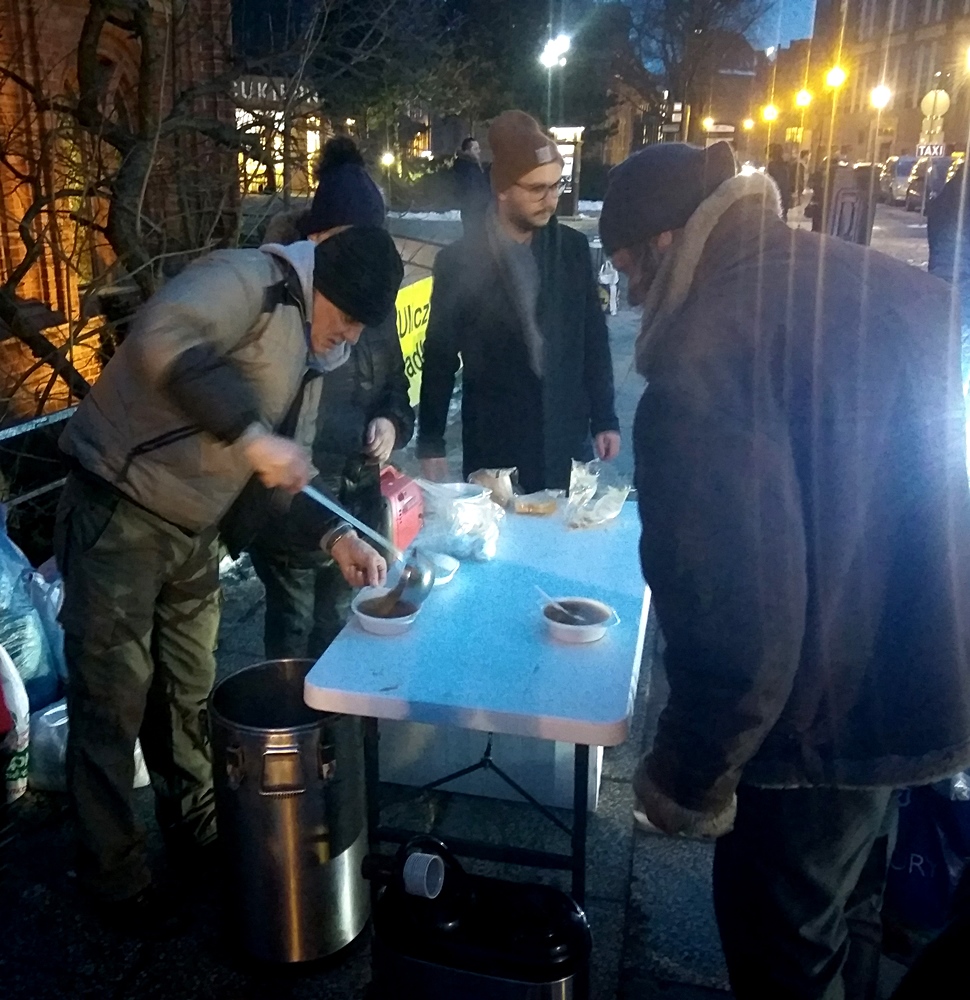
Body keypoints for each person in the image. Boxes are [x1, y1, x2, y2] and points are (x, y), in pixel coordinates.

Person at [599, 140, 970, 1000]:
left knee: (786, 951)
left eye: (629, 268)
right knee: (853, 913)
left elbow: (739, 612)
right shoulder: (880, 282)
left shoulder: (708, 352)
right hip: (924, 676)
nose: (634, 294)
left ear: (664, 242)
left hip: (816, 728)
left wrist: (691, 775)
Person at [55, 226, 403, 934]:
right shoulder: (249, 280)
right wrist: (250, 435)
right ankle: (114, 875)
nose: (348, 335)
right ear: (320, 285)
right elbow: (162, 335)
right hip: (119, 507)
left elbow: (283, 475)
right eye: (344, 317)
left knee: (188, 688)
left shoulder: (315, 355)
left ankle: (197, 829)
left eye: (360, 326)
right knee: (110, 699)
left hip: (194, 530)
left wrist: (334, 535)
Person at [247, 154, 415, 660]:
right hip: (293, 514)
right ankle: (290, 710)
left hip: (357, 502)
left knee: (341, 632)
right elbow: (265, 425)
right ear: (319, 237)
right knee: (293, 639)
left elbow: (396, 387)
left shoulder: (373, 304)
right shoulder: (281, 303)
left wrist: (391, 423)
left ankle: (335, 711)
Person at [419, 110, 620, 493]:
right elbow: (440, 355)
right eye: (536, 188)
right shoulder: (459, 262)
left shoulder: (573, 251)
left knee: (563, 530)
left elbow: (593, 338)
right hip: (494, 442)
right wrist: (431, 439)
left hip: (565, 437)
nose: (551, 199)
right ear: (502, 188)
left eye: (556, 185)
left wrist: (605, 417)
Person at [451, 136, 492, 235]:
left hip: (473, 210)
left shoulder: (470, 165)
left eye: (479, 148)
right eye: (475, 149)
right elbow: (474, 190)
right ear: (467, 151)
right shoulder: (468, 168)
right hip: (475, 211)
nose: (479, 151)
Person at [766, 143, 792, 221]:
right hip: (785, 194)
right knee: (783, 216)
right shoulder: (785, 165)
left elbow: (769, 180)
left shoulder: (771, 165)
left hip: (775, 193)